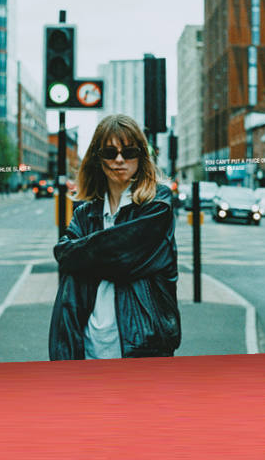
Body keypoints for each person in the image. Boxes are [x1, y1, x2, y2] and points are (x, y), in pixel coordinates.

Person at [49, 114, 180, 360]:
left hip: (142, 348)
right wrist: (77, 256)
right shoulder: (86, 213)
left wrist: (80, 258)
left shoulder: (157, 206)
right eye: (110, 152)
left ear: (141, 156)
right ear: (98, 159)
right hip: (86, 349)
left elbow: (118, 255)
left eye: (129, 152)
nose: (119, 159)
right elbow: (63, 254)